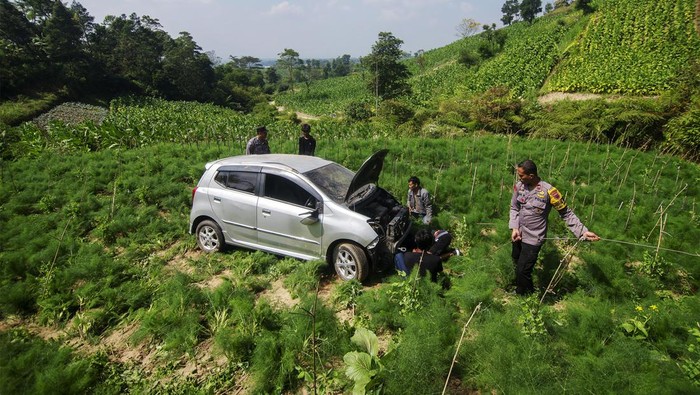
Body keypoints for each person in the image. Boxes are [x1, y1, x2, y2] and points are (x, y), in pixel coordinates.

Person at [509, 159, 600, 295]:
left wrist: (583, 232)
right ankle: (520, 288)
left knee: (523, 270)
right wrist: (515, 227)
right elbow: (514, 207)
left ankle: (526, 297)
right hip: (519, 233)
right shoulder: (519, 186)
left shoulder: (550, 192)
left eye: (521, 175)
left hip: (534, 238)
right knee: (516, 261)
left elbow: (566, 214)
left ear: (531, 176)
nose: (519, 178)